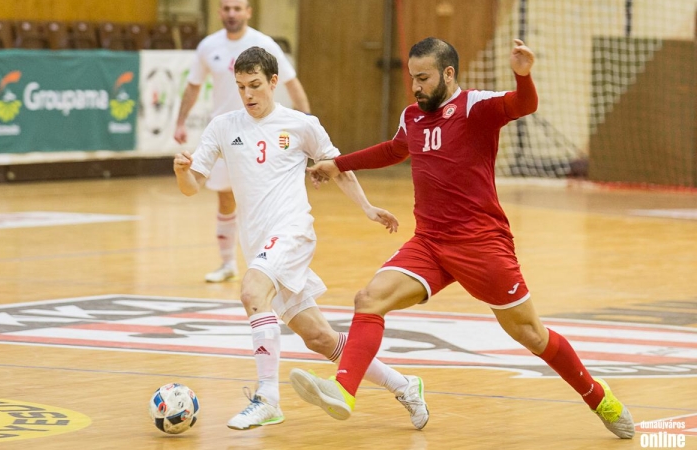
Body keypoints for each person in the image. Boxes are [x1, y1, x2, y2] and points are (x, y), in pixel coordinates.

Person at [289, 37, 635, 440]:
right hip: (430, 243)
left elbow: (524, 106)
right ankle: (343, 391)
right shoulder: (412, 117)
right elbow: (395, 150)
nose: (415, 87)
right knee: (369, 299)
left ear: (448, 74)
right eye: (412, 78)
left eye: (424, 78)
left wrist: (523, 77)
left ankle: (597, 396)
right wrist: (338, 164)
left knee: (531, 335)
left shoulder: (475, 107)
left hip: (481, 245)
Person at [173, 46, 429, 431]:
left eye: (255, 85)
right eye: (241, 86)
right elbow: (194, 187)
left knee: (251, 292)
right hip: (258, 244)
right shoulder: (223, 127)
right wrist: (181, 171)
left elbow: (337, 168)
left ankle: (267, 399)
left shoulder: (300, 124)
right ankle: (406, 385)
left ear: (274, 82)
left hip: (291, 232)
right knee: (319, 338)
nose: (248, 95)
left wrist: (367, 207)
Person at [174, 0, 311, 283]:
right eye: (226, 8)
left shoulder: (264, 44)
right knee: (224, 196)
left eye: (237, 8)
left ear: (248, 12)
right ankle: (227, 263)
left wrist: (306, 119)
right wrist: (180, 121)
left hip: (261, 133)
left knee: (261, 195)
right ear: (219, 12)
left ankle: (269, 258)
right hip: (226, 135)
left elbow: (291, 81)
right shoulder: (208, 46)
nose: (232, 13)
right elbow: (193, 85)